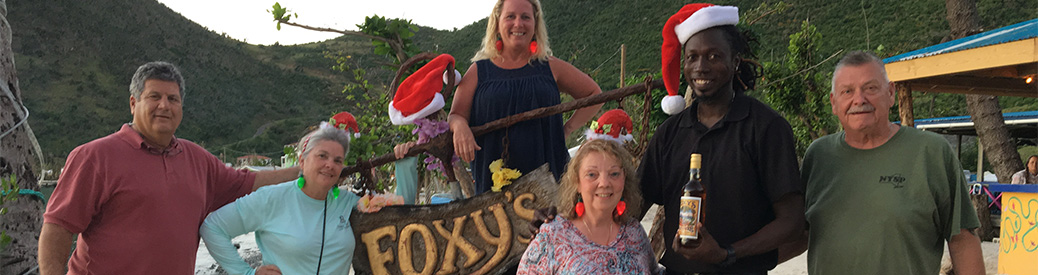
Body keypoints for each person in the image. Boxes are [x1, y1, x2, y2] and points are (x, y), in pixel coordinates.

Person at [38, 61, 301, 275]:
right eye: (154, 96)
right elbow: (57, 229)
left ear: (181, 108)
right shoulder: (94, 157)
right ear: (133, 103)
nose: (164, 105)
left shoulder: (197, 159)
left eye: (172, 99)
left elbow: (249, 183)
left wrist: (309, 172)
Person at [636, 3, 805, 274]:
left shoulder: (766, 128)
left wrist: (727, 253)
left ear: (735, 61)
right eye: (692, 57)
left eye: (714, 56)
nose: (701, 67)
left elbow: (793, 221)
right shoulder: (669, 133)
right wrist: (559, 224)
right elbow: (632, 205)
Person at [798, 51, 984, 274]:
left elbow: (962, 239)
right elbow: (801, 235)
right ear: (834, 102)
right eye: (847, 91)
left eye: (870, 88)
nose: (859, 99)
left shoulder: (931, 153)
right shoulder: (818, 156)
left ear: (890, 93)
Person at [201, 120, 416, 275]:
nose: (330, 164)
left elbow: (400, 214)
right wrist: (246, 273)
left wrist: (405, 162)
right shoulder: (272, 199)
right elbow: (212, 227)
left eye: (337, 160)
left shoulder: (348, 203)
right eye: (322, 156)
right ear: (302, 162)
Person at [449, 0, 603, 194]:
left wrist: (567, 129)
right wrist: (460, 126)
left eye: (525, 17)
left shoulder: (550, 67)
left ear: (535, 24)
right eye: (510, 16)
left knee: (553, 223)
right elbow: (455, 115)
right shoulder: (479, 71)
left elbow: (594, 94)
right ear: (497, 23)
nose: (518, 24)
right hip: (494, 187)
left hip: (549, 181)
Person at [518, 139, 662, 274]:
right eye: (592, 174)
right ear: (577, 183)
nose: (604, 183)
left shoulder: (634, 232)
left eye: (614, 174)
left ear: (624, 180)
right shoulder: (553, 234)